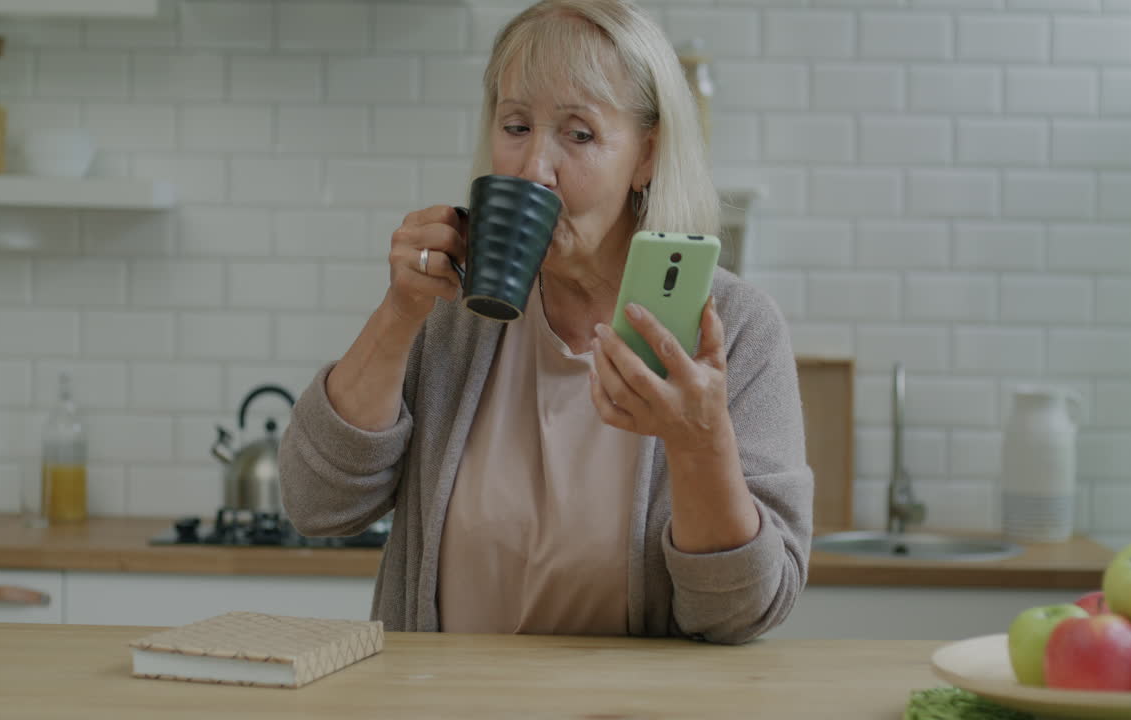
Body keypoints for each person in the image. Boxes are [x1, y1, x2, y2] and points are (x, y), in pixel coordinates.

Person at [279, 0, 813, 645]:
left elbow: (741, 613)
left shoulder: (734, 327)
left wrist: (700, 444)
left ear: (646, 156)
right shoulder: (453, 314)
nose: (534, 168)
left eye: (579, 134)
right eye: (515, 126)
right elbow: (318, 505)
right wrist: (399, 313)